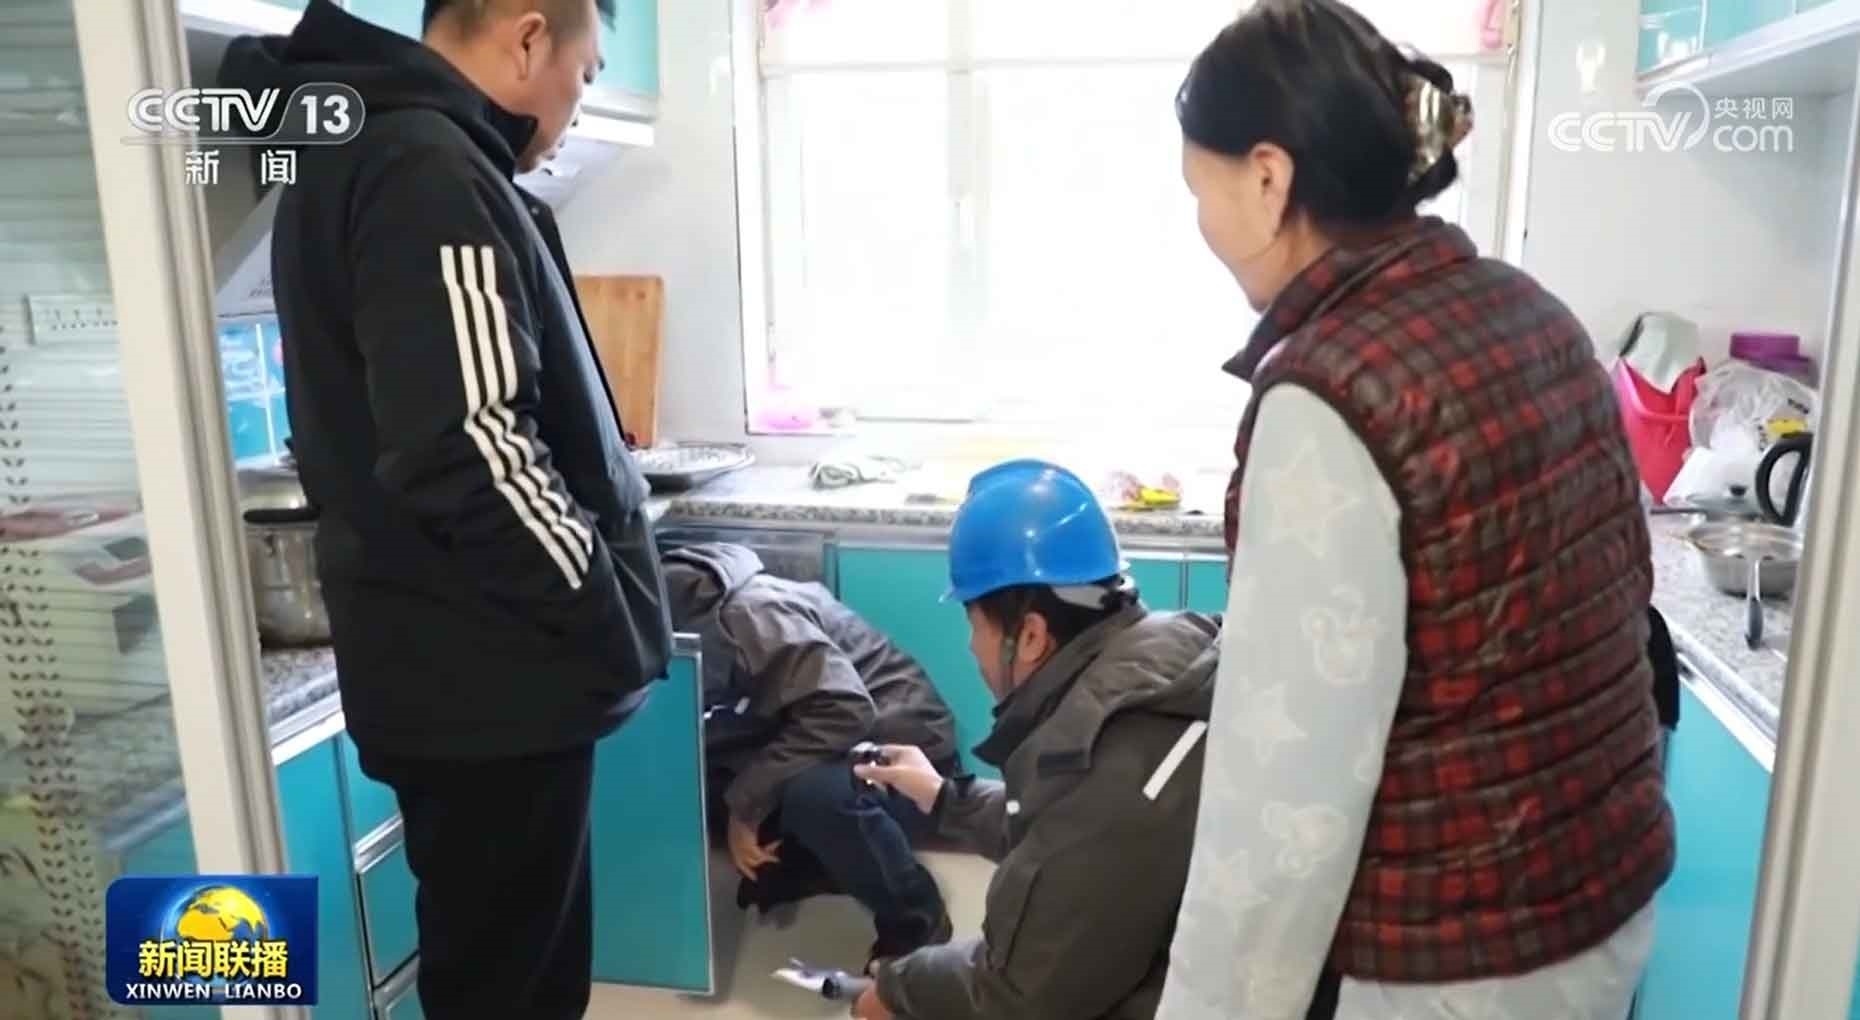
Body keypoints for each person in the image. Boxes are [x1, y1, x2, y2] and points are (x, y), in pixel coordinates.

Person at [1155, 2, 1675, 1019]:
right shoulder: (1523, 307)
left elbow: (1284, 807)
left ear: (1267, 178)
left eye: (1198, 189)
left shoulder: (1329, 396)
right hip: (1601, 903)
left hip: (1460, 959)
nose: (1201, 223)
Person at [221, 2, 671, 1017]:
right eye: (585, 71)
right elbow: (467, 447)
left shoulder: (376, 151)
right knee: (515, 990)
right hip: (496, 688)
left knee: (500, 979)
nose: (578, 100)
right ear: (528, 39)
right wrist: (604, 611)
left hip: (462, 683)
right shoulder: (427, 166)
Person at [849, 459, 1219, 1020]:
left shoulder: (1115, 764)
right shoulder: (1163, 659)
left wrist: (897, 988)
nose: (971, 648)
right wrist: (945, 797)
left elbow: (1019, 995)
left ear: (1030, 636)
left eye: (975, 626)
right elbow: (1063, 830)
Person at [660, 541, 960, 969]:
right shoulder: (691, 614)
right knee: (709, 782)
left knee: (812, 795)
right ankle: (816, 867)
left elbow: (845, 709)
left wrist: (745, 808)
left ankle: (916, 917)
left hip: (907, 751)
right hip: (833, 739)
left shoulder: (752, 616)